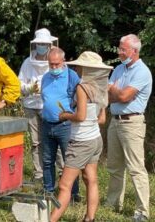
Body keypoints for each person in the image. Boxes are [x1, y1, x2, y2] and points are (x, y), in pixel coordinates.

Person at [50, 51, 112, 222]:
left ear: (85, 69)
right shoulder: (101, 87)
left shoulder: (82, 87)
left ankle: (50, 220)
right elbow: (102, 119)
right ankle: (89, 218)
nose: (76, 68)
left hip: (81, 141)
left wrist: (66, 115)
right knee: (90, 179)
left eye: (78, 66)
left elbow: (80, 116)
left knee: (64, 185)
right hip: (95, 139)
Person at [106, 34, 152, 222]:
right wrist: (116, 92)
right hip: (115, 121)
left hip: (132, 123)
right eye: (119, 48)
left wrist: (115, 91)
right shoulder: (118, 68)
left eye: (123, 49)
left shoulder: (142, 72)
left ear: (134, 51)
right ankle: (113, 204)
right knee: (114, 167)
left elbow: (124, 96)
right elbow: (107, 94)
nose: (119, 52)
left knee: (136, 168)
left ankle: (142, 212)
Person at [18, 28, 62, 182]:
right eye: (40, 44)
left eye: (45, 44)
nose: (42, 47)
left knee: (54, 139)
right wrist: (29, 88)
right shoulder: (27, 63)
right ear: (35, 45)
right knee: (36, 142)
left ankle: (62, 172)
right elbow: (19, 85)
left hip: (48, 107)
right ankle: (39, 174)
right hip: (31, 105)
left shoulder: (55, 63)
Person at [41, 46, 80, 200]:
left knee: (70, 161)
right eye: (51, 64)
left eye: (57, 64)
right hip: (46, 123)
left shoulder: (72, 76)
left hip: (65, 126)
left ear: (63, 61)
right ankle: (48, 191)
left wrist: (72, 113)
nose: (54, 67)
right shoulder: (45, 77)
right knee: (47, 160)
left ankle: (74, 193)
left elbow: (81, 97)